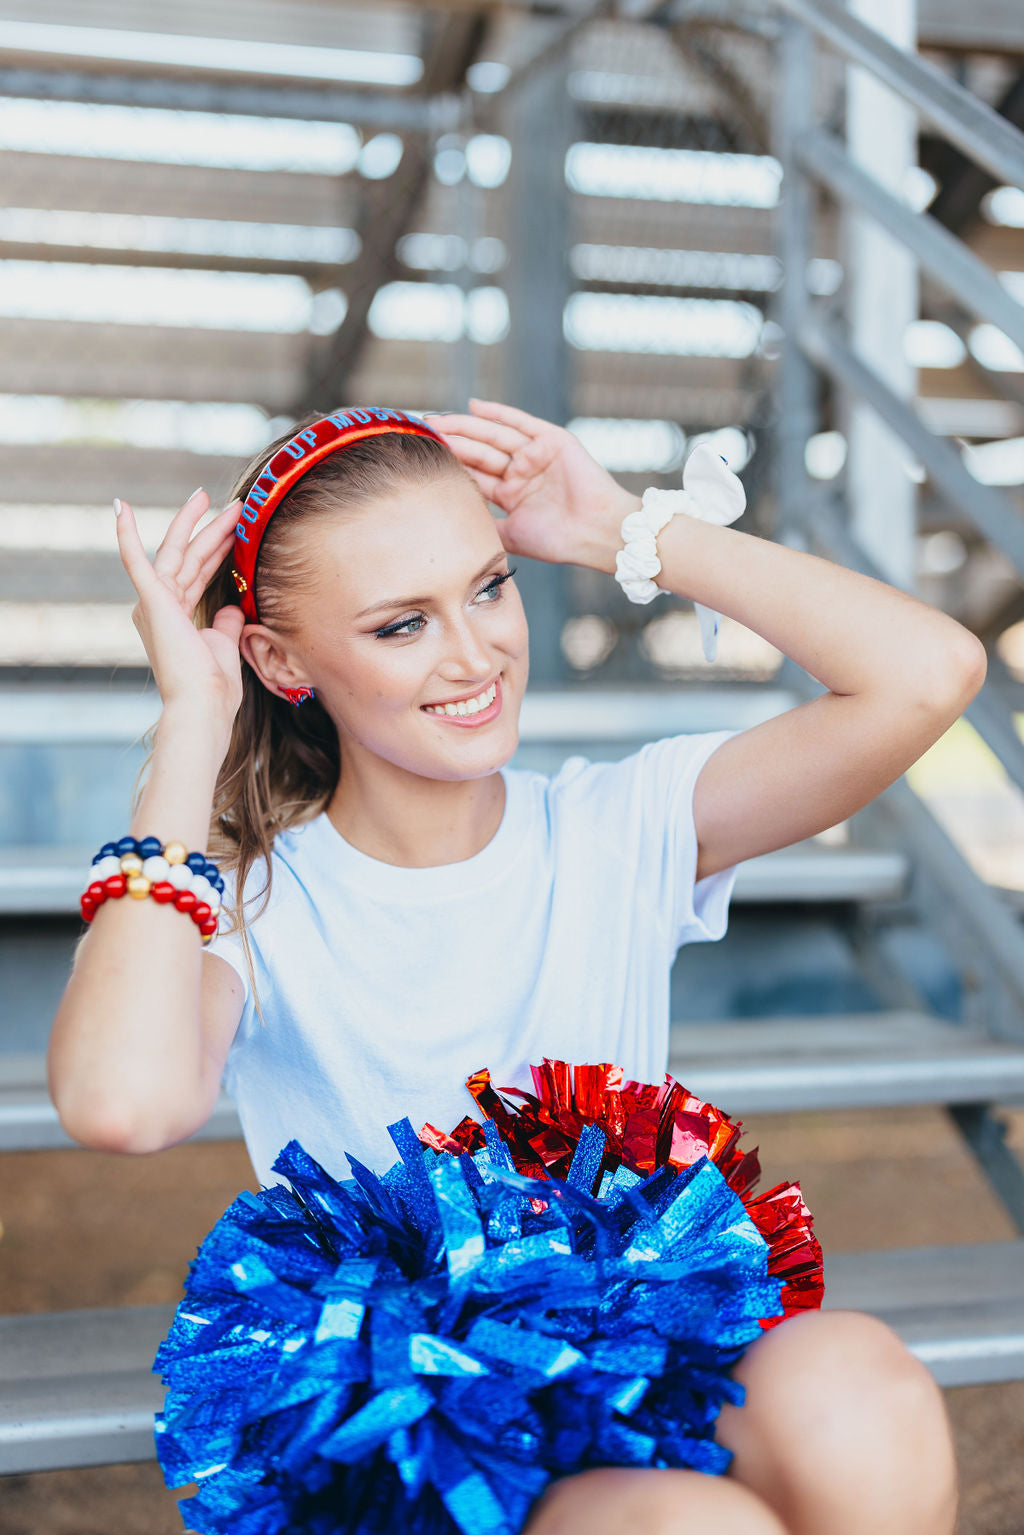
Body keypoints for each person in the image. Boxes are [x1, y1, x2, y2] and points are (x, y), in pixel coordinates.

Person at [49, 398, 978, 1535]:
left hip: (630, 1347)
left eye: (487, 586)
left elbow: (928, 671)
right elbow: (121, 1100)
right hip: (407, 1422)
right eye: (403, 624)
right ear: (279, 658)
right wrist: (193, 715)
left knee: (859, 1390)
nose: (475, 649)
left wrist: (618, 529)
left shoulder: (619, 825)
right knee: (687, 1526)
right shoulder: (254, 902)